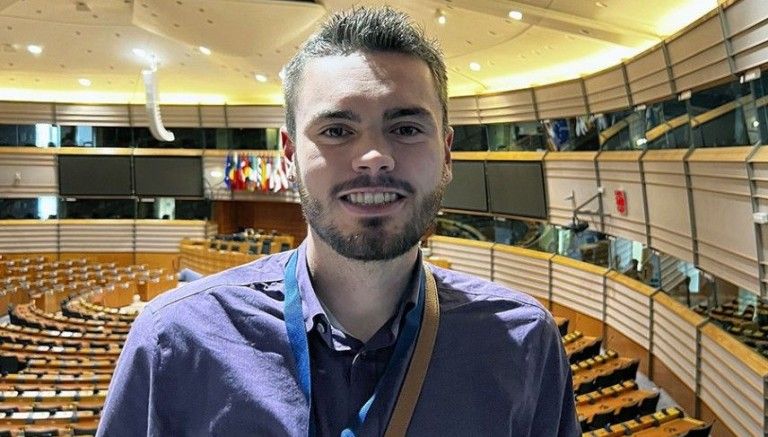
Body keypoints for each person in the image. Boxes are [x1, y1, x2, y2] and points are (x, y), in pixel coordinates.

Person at [98, 7, 579, 436]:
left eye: (406, 128)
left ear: (447, 152)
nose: (374, 157)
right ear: (288, 156)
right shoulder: (173, 341)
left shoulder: (524, 343)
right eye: (336, 130)